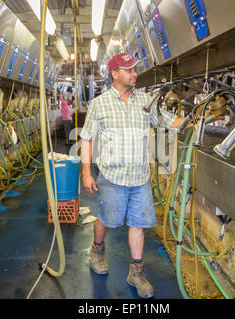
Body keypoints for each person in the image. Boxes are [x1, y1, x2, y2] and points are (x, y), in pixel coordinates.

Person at [80, 52, 189, 299]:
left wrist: (192, 121)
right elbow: (86, 138)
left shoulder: (146, 101)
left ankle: (136, 272)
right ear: (114, 73)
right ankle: (97, 249)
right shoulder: (99, 104)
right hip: (112, 177)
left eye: (135, 69)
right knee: (107, 220)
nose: (134, 74)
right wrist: (86, 173)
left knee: (138, 225)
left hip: (139, 178)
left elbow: (168, 120)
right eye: (129, 70)